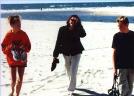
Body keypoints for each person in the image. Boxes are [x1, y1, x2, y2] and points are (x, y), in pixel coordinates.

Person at [53, 15, 86, 95]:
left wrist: (78, 26)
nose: (72, 21)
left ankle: (71, 90)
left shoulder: (78, 30)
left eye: (75, 20)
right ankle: (72, 82)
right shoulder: (62, 29)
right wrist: (55, 55)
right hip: (66, 53)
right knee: (68, 70)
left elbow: (83, 34)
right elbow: (58, 42)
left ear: (77, 22)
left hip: (76, 53)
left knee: (73, 70)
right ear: (68, 20)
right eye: (72, 19)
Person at [1, 15, 31, 96]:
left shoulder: (24, 34)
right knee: (13, 81)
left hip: (22, 60)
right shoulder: (8, 35)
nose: (20, 26)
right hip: (12, 60)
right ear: (12, 25)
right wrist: (10, 47)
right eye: (18, 25)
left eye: (20, 24)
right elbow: (3, 49)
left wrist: (23, 47)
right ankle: (12, 91)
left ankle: (17, 94)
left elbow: (29, 47)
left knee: (20, 80)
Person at [112, 16, 134, 96]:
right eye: (118, 26)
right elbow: (114, 53)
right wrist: (114, 68)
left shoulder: (133, 35)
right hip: (121, 66)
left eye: (120, 26)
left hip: (132, 66)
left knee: (130, 87)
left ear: (127, 24)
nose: (119, 27)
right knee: (123, 88)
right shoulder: (116, 36)